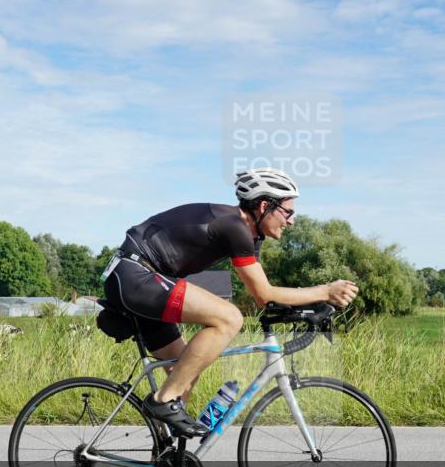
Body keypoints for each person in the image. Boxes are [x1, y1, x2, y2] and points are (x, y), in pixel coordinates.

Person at [101, 168, 359, 438]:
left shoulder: (249, 235)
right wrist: (325, 291)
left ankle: (164, 465)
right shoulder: (233, 226)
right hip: (135, 274)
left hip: (142, 278)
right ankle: (161, 401)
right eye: (288, 212)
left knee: (184, 373)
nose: (291, 222)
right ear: (263, 206)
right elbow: (264, 294)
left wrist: (308, 309)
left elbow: (266, 297)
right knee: (229, 318)